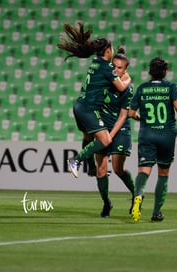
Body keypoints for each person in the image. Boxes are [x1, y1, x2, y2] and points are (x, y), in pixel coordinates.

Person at [57, 22, 131, 178]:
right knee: (105, 140)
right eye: (111, 49)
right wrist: (128, 79)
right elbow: (122, 87)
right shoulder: (106, 68)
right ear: (108, 50)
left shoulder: (95, 63)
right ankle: (75, 161)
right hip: (89, 109)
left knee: (88, 137)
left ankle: (90, 167)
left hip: (79, 105)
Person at [128, 57, 177, 222]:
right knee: (163, 173)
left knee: (144, 170)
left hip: (147, 134)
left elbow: (130, 113)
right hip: (166, 134)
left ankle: (138, 197)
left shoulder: (142, 88)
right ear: (165, 72)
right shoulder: (171, 87)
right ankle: (156, 212)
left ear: (150, 72)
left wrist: (140, 119)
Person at [95, 47, 135, 217]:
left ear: (125, 70)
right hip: (103, 128)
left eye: (120, 68)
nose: (116, 70)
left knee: (118, 169)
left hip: (120, 130)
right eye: (114, 66)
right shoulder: (104, 80)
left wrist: (110, 136)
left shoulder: (128, 88)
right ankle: (106, 203)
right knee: (101, 170)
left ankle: (136, 194)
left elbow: (123, 116)